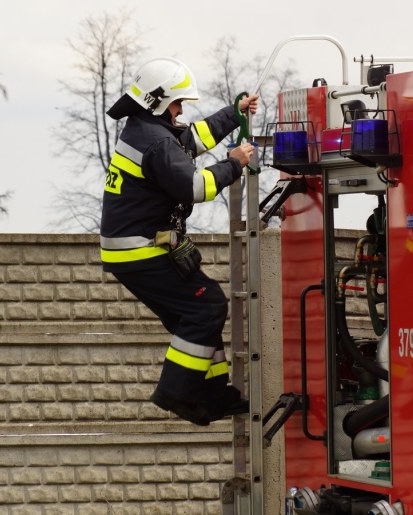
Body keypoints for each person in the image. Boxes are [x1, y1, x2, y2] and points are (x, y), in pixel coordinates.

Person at [100, 56, 258, 426]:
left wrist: (234, 114)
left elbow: (194, 138)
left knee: (197, 314)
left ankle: (212, 395)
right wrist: (234, 163)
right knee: (206, 308)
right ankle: (177, 393)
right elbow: (195, 186)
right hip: (139, 250)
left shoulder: (148, 130)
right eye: (178, 103)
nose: (181, 110)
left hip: (133, 248)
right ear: (158, 101)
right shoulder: (155, 142)